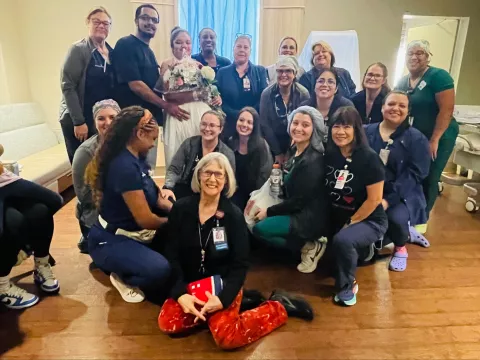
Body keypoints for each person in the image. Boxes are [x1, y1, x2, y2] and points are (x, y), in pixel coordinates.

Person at [158, 152, 313, 350]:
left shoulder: (233, 215)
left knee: (227, 337)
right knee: (168, 322)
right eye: (207, 173)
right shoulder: (181, 209)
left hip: (223, 284)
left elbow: (240, 265)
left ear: (226, 180)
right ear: (198, 176)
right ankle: (238, 305)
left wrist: (223, 300)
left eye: (218, 174)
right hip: (192, 285)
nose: (212, 179)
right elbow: (171, 254)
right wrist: (181, 294)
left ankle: (277, 305)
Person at [85, 106, 172, 303]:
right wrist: (176, 220)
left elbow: (157, 199)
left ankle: (133, 260)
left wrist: (180, 210)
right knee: (161, 271)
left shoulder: (136, 158)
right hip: (110, 240)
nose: (153, 145)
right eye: (152, 139)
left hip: (135, 235)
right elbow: (146, 220)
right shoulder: (123, 166)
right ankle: (121, 274)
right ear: (140, 133)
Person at [252, 106, 329, 274]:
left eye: (305, 125)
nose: (298, 128)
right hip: (294, 207)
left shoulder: (313, 161)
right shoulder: (296, 150)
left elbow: (300, 201)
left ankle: (309, 245)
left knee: (259, 229)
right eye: (295, 123)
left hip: (307, 216)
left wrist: (269, 211)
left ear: (314, 128)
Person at [325, 106, 387, 306]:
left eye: (346, 126)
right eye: (336, 126)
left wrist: (350, 222)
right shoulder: (331, 154)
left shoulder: (369, 158)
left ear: (356, 130)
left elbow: (374, 200)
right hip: (337, 215)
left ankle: (347, 286)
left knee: (343, 240)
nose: (340, 132)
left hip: (370, 219)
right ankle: (363, 250)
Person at [113, 4, 189, 169]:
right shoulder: (126, 44)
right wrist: (165, 105)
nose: (150, 23)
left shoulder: (149, 51)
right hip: (133, 122)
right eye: (145, 18)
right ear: (136, 20)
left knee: (147, 169)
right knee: (132, 169)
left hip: (148, 121)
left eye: (154, 20)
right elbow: (136, 85)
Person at [395, 40, 459, 234]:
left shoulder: (438, 76)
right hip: (415, 137)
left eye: (420, 53)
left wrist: (435, 139)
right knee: (413, 175)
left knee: (430, 177)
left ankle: (420, 222)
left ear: (428, 56)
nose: (414, 57)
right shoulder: (403, 81)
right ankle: (409, 214)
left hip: (439, 136)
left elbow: (446, 110)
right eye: (410, 54)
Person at [365, 91, 430, 271]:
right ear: (383, 107)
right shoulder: (365, 131)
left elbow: (416, 175)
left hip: (402, 192)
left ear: (408, 111)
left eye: (402, 106)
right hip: (369, 188)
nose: (396, 108)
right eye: (391, 104)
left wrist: (388, 200)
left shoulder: (417, 139)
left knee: (395, 217)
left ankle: (400, 247)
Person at [59, 6, 115, 164]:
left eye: (106, 23)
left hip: (100, 119)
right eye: (96, 22)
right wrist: (79, 122)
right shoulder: (79, 49)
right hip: (80, 118)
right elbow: (67, 86)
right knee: (83, 165)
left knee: (102, 165)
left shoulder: (111, 52)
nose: (101, 26)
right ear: (88, 23)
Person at [157, 27, 221, 168]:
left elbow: (207, 90)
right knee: (177, 155)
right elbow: (166, 96)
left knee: (199, 154)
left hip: (199, 113)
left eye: (187, 42)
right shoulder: (167, 64)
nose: (183, 46)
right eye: (179, 42)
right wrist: (194, 95)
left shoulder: (198, 65)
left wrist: (216, 97)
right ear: (172, 45)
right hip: (178, 114)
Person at [0, 170, 63, 309]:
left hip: (4, 181)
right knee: (14, 223)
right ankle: (2, 286)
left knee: (40, 211)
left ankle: (41, 264)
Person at [72, 99, 120, 254]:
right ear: (94, 122)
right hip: (95, 212)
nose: (107, 122)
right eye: (101, 118)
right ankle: (88, 238)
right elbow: (84, 196)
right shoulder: (85, 152)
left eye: (112, 117)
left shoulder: (130, 144)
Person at [162, 111, 235, 201]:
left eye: (212, 125)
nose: (207, 129)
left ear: (220, 129)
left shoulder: (228, 153)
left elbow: (229, 182)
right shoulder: (188, 143)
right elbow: (174, 169)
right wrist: (168, 188)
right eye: (204, 124)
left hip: (213, 195)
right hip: (186, 190)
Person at [216, 35, 268, 139]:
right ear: (233, 49)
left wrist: (248, 115)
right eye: (239, 46)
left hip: (252, 123)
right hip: (229, 123)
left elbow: (263, 98)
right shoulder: (222, 72)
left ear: (250, 51)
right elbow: (219, 100)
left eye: (245, 47)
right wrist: (238, 115)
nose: (242, 50)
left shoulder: (260, 71)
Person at [260, 56, 310, 164]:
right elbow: (265, 124)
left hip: (296, 141)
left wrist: (291, 151)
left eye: (288, 71)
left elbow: (305, 122)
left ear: (295, 74)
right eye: (280, 71)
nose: (283, 75)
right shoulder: (266, 94)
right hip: (272, 143)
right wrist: (278, 152)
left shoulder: (303, 94)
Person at [227, 107, 273, 210]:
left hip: (255, 195)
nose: (244, 125)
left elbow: (265, 176)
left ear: (254, 126)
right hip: (233, 193)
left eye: (249, 122)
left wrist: (255, 199)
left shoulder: (262, 146)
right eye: (241, 120)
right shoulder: (230, 142)